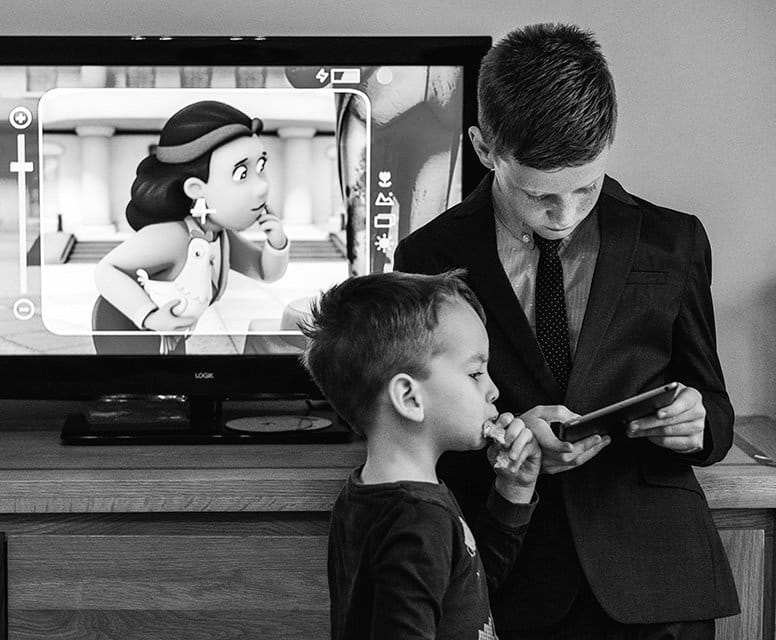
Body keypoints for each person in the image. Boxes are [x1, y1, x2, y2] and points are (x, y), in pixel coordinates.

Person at [394, 23, 738, 639]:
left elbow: (715, 410)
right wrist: (506, 443)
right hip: (510, 577)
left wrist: (696, 424)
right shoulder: (427, 256)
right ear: (483, 147)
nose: (566, 215)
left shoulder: (674, 242)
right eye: (539, 196)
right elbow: (413, 433)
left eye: (586, 187)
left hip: (659, 584)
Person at [301, 269, 541, 639]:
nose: (493, 390)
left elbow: (470, 589)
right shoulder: (418, 522)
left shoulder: (374, 497)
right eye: (476, 373)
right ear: (410, 398)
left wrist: (514, 489)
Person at [93, 100, 289, 354]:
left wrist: (277, 243)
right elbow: (106, 270)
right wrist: (150, 316)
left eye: (261, 167)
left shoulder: (221, 235)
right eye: (242, 173)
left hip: (173, 332)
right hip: (128, 328)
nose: (262, 186)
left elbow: (264, 272)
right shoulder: (173, 236)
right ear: (196, 189)